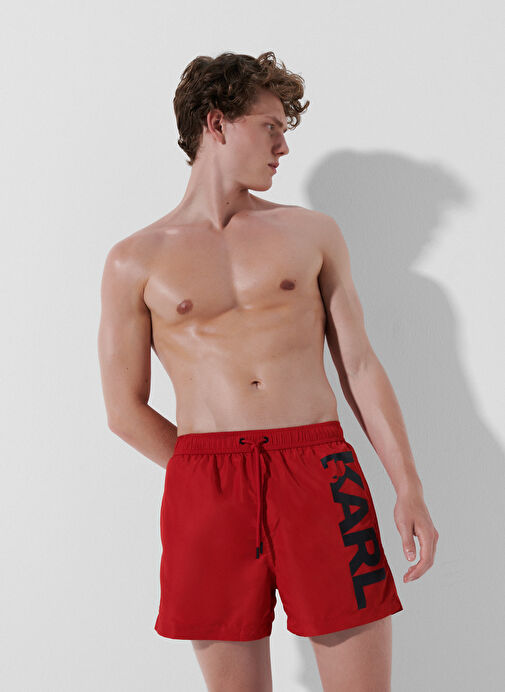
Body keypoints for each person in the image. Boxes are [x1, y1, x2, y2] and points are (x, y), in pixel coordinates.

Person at [98, 51, 438, 692]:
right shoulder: (134, 260)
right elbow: (124, 409)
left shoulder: (311, 233)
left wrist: (408, 486)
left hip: (319, 470)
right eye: (271, 127)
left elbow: (359, 365)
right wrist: (207, 473)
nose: (284, 146)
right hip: (207, 481)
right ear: (217, 123)